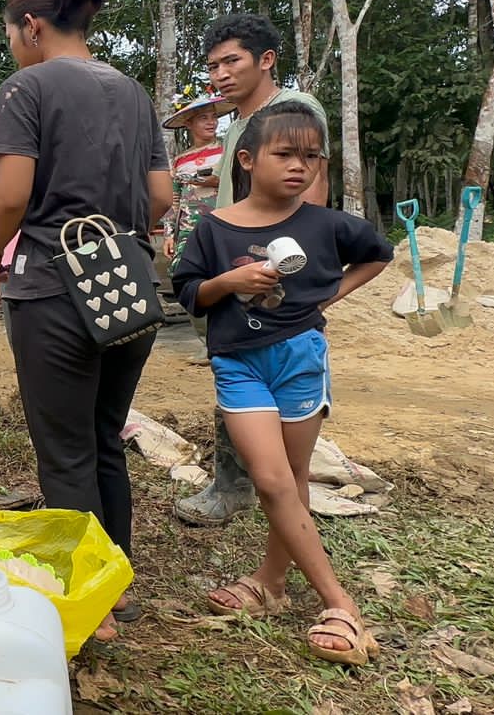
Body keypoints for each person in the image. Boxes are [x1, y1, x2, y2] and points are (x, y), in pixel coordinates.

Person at [0, 0, 171, 641]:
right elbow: (161, 197)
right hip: (130, 286)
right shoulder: (134, 92)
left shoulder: (25, 90)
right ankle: (115, 584)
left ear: (32, 25)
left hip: (54, 287)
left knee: (64, 452)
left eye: (8, 33)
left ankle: (87, 608)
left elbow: (12, 196)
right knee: (104, 439)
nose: (12, 46)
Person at [170, 101, 391, 665]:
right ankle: (340, 603)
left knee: (290, 479)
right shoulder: (214, 229)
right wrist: (230, 279)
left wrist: (332, 294)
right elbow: (189, 293)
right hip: (239, 363)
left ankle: (270, 583)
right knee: (270, 481)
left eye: (311, 156)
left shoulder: (326, 224)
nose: (300, 166)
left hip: (300, 360)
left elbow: (378, 255)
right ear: (246, 159)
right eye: (285, 153)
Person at [178, 14, 332, 527]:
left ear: (266, 60)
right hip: (236, 264)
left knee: (254, 366)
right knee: (231, 363)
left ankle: (256, 487)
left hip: (270, 271)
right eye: (212, 66)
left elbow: (309, 190)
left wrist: (294, 270)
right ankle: (243, 481)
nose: (219, 75)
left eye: (231, 61)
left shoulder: (291, 111)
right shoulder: (239, 123)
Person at [161, 95, 231, 267]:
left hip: (224, 221)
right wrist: (169, 234)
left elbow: (239, 182)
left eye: (214, 117)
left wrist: (213, 181)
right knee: (182, 270)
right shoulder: (180, 160)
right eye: (203, 118)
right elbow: (173, 199)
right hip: (188, 227)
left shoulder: (227, 149)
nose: (211, 122)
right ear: (189, 124)